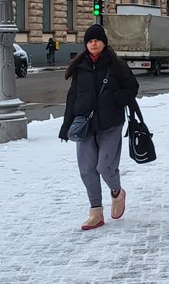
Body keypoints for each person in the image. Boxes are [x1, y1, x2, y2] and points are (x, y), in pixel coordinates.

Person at [59, 24, 140, 231]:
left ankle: (117, 192)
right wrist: (66, 125)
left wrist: (116, 99)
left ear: (104, 42)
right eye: (89, 40)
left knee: (104, 167)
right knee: (87, 170)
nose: (93, 43)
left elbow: (132, 88)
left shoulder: (116, 65)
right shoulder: (80, 67)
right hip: (85, 124)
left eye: (97, 40)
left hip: (110, 124)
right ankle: (95, 212)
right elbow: (72, 97)